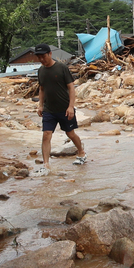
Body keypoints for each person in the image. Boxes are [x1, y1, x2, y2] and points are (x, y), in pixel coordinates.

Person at [32, 43, 86, 177]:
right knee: (46, 135)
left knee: (70, 134)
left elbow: (71, 88)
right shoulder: (41, 70)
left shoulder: (61, 68)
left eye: (43, 56)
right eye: (39, 57)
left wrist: (71, 107)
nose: (41, 59)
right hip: (49, 110)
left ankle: (81, 153)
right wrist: (40, 105)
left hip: (64, 109)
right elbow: (42, 89)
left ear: (50, 54)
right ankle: (46, 165)